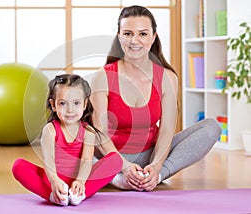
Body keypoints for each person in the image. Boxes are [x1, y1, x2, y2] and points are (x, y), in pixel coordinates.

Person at [90, 5, 222, 192]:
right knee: (62, 139)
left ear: (153, 37)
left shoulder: (167, 77)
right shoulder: (102, 76)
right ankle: (116, 179)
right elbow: (99, 131)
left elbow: (167, 129)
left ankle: (153, 177)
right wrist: (125, 167)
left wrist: (157, 166)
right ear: (119, 36)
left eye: (142, 34)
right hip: (110, 157)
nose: (134, 40)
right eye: (127, 33)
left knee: (212, 127)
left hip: (149, 156)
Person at [12, 74, 122, 206]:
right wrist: (54, 181)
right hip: (54, 179)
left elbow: (87, 160)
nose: (70, 110)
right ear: (53, 105)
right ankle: (54, 195)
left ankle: (80, 194)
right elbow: (49, 160)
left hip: (81, 180)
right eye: (63, 103)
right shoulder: (50, 130)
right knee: (18, 166)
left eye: (76, 103)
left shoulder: (88, 131)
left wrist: (80, 181)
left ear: (85, 104)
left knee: (116, 159)